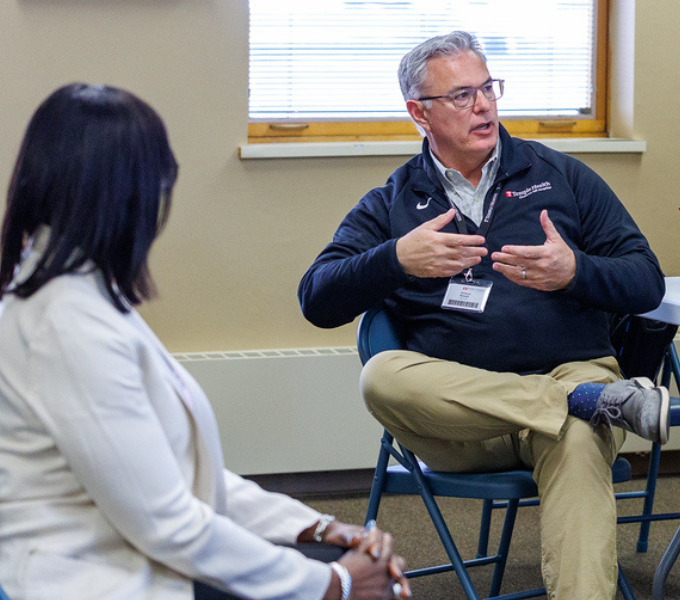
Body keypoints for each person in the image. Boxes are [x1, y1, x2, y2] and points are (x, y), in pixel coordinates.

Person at [0, 83, 409, 600]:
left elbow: (182, 477)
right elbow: (168, 523)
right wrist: (333, 583)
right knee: (363, 586)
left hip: (130, 556)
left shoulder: (80, 295)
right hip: (90, 580)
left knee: (354, 572)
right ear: (126, 198)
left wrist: (317, 527)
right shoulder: (66, 326)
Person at [298, 32, 668, 599]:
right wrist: (397, 259)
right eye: (462, 95)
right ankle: (581, 403)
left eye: (488, 88)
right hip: (464, 422)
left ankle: (577, 401)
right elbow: (317, 298)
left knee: (575, 439)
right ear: (419, 113)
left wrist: (576, 271)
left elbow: (646, 280)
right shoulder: (393, 202)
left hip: (571, 369)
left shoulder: (562, 176)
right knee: (381, 377)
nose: (484, 106)